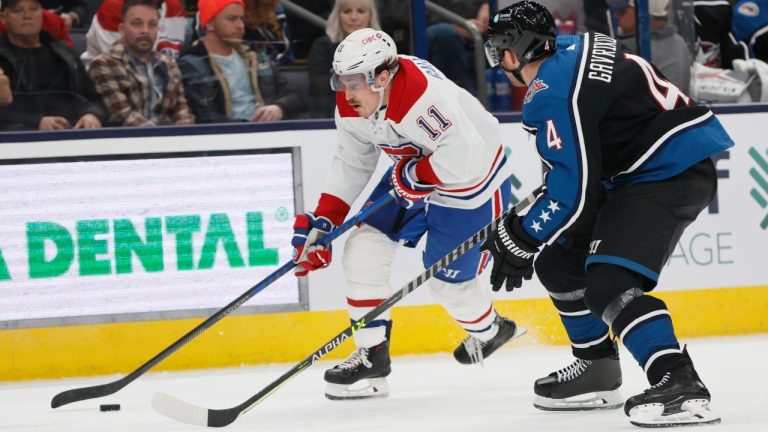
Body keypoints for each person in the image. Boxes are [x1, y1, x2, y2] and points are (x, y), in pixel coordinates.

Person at [482, 1, 733, 427]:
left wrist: (522, 235)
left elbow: (571, 193)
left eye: (497, 50)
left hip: (665, 170)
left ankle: (678, 380)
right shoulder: (577, 48)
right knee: (561, 263)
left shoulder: (549, 91)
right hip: (653, 161)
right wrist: (533, 230)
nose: (496, 60)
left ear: (515, 51)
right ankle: (598, 368)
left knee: (608, 283)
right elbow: (582, 163)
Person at [291, 28, 525, 400]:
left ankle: (491, 330)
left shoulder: (420, 98)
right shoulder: (354, 98)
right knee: (362, 248)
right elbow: (353, 161)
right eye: (341, 81)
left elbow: (464, 155)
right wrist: (324, 223)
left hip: (470, 181)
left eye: (354, 83)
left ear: (382, 78)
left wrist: (418, 176)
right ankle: (372, 357)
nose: (346, 93)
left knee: (448, 285)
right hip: (414, 165)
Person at [178, 0, 304, 123]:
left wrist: (279, 108)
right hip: (225, 137)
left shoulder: (257, 58)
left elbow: (294, 97)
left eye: (241, 19)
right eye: (232, 19)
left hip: (267, 132)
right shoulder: (191, 64)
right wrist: (247, 126)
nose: (240, 26)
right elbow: (204, 117)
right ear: (210, 23)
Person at [0, 0, 105, 130]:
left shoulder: (65, 53)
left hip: (74, 134)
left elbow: (94, 99)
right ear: (3, 18)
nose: (27, 15)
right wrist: (36, 122)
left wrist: (92, 114)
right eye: (18, 10)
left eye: (33, 9)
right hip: (18, 141)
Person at [88, 0, 194, 126]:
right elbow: (124, 115)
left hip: (171, 140)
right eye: (137, 24)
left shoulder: (169, 63)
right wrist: (163, 137)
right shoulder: (104, 64)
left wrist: (185, 132)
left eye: (152, 25)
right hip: (129, 140)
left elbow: (182, 110)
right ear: (122, 29)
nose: (145, 30)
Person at [306, 0, 380, 118]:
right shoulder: (322, 46)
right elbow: (321, 87)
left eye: (361, 11)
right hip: (330, 118)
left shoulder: (381, 48)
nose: (354, 17)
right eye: (347, 11)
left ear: (371, 16)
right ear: (337, 15)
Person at [610, 0, 692, 93]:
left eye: (623, 12)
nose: (616, 15)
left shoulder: (629, 48)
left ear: (644, 14)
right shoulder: (679, 43)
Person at [80, 0, 186, 68]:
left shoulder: (174, 8)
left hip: (162, 86)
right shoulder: (113, 8)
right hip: (106, 85)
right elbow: (119, 69)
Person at [426, 0, 489, 95]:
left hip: (473, 34)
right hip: (427, 34)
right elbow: (401, 10)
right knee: (445, 33)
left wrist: (484, 4)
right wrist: (455, 26)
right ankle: (461, 101)